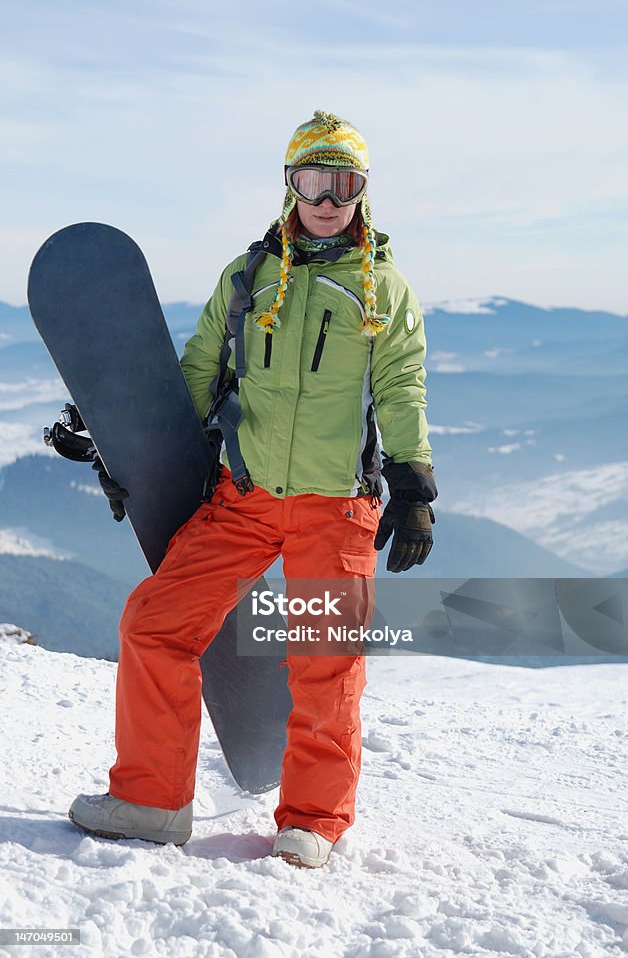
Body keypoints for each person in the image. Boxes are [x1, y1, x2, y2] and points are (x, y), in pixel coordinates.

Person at [69, 110, 437, 869]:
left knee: (321, 658)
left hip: (337, 502)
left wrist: (413, 480)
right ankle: (150, 800)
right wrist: (126, 443)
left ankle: (312, 820)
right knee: (153, 623)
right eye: (313, 179)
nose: (327, 198)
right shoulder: (247, 278)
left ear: (362, 192)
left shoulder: (383, 287)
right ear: (289, 185)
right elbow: (200, 370)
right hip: (246, 496)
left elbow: (400, 384)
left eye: (344, 182)